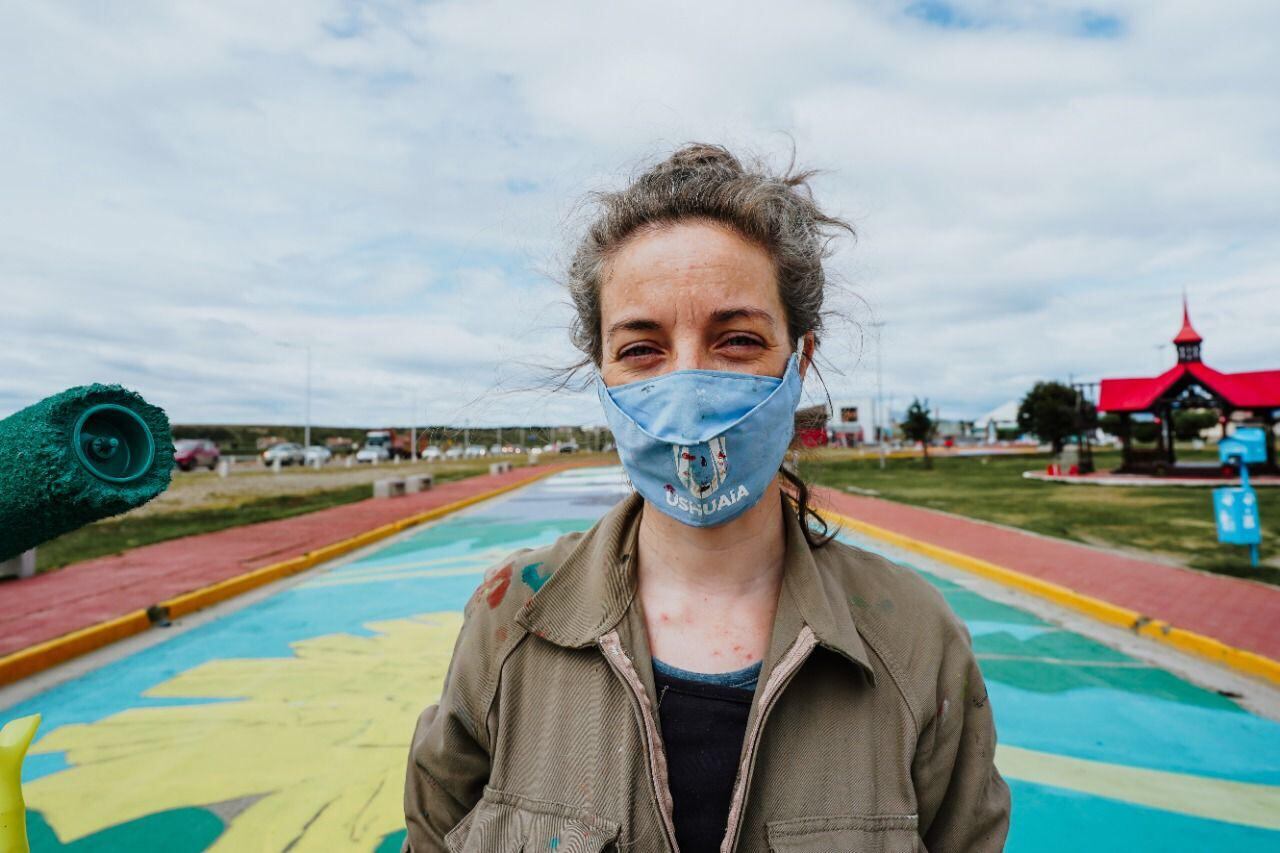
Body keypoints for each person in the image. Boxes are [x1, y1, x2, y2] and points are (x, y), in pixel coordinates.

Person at [402, 143, 1010, 852]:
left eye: (737, 339)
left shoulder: (918, 640)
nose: (687, 386)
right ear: (599, 370)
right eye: (641, 349)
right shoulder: (509, 621)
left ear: (800, 359)